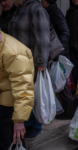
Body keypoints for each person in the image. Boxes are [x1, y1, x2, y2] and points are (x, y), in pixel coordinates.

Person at [8, 0, 51, 139]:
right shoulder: (20, 9)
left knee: (32, 93)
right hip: (18, 61)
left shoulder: (36, 9)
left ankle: (34, 125)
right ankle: (27, 123)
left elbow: (43, 38)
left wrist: (41, 62)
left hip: (32, 61)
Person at [0, 31, 34, 150]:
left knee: (10, 140)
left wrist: (19, 120)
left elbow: (24, 87)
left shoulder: (14, 51)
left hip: (8, 105)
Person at [41, 0, 75, 119]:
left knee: (60, 83)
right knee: (59, 82)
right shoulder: (48, 11)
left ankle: (69, 111)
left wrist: (59, 50)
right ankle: (64, 110)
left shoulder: (54, 12)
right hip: (55, 53)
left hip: (58, 54)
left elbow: (65, 32)